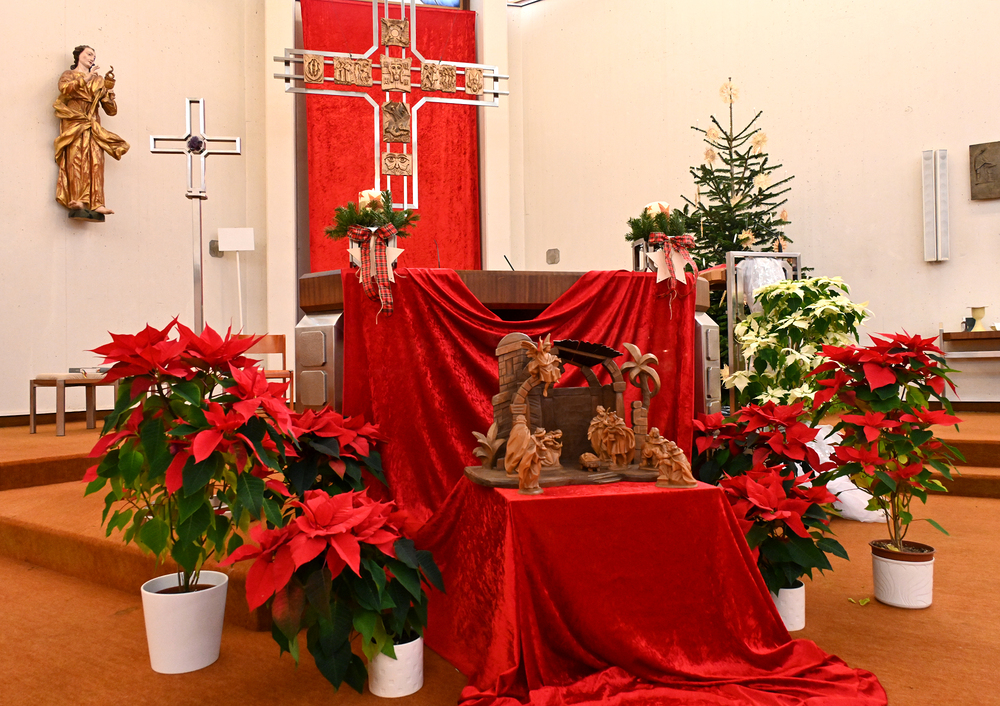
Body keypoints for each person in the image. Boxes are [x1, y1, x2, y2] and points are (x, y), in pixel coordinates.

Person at [54, 45, 129, 215]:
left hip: (93, 124)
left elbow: (111, 111)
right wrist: (86, 78)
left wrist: (109, 93)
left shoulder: (99, 80)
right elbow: (64, 89)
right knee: (75, 159)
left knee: (96, 161)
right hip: (75, 122)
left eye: (94, 56)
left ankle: (97, 202)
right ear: (78, 56)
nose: (92, 58)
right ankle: (77, 199)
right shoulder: (69, 75)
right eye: (88, 54)